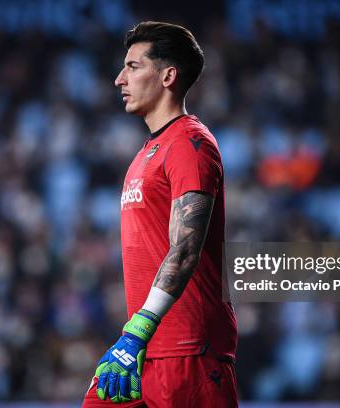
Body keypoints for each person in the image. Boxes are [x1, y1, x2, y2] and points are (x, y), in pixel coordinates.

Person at [83, 21, 237, 407]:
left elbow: (185, 250)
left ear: (168, 75)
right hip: (141, 350)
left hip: (187, 351)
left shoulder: (190, 144)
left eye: (133, 67)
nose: (120, 79)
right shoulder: (148, 152)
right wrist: (134, 338)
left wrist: (138, 331)